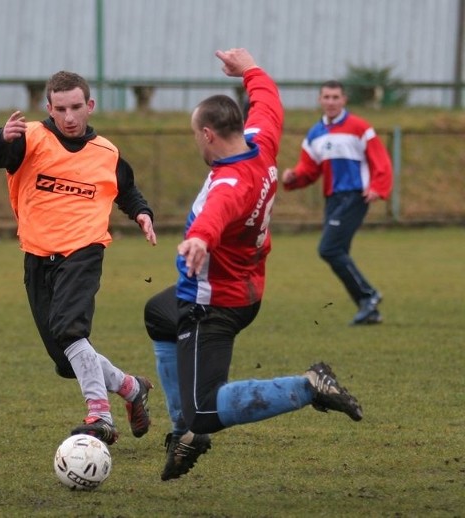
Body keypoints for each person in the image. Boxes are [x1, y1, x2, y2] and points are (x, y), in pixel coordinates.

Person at [143, 48, 363, 481]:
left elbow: (215, 214)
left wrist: (199, 241)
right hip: (243, 285)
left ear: (207, 135)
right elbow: (268, 100)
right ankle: (182, 431)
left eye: (194, 135)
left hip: (212, 303)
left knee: (206, 408)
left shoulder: (229, 183)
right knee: (156, 314)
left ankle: (308, 387)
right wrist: (250, 70)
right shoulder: (259, 142)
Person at [0, 70, 157, 446]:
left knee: (71, 330)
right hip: (38, 258)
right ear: (49, 108)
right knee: (65, 356)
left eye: (76, 107)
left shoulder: (106, 152)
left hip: (84, 251)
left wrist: (142, 212)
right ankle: (132, 387)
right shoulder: (29, 139)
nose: (69, 117)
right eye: (61, 109)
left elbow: (127, 189)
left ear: (90, 106)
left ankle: (99, 414)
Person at [281, 80, 393, 325]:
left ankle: (369, 295)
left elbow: (380, 160)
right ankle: (369, 310)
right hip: (333, 198)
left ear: (344, 100)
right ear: (320, 100)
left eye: (335, 97)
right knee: (337, 251)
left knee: (328, 249)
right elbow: (308, 169)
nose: (331, 102)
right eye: (326, 97)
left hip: (355, 196)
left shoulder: (359, 127)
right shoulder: (315, 134)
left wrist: (378, 187)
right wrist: (293, 177)